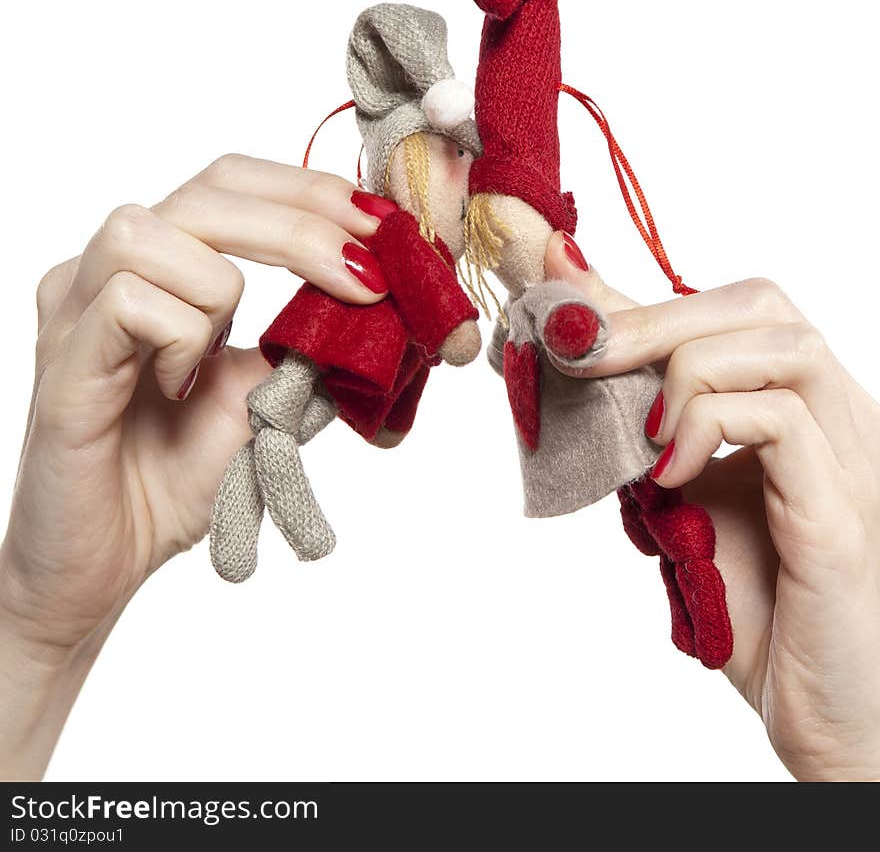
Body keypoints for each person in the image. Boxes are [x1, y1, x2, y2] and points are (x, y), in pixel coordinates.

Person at [1, 154, 878, 781]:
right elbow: (453, 323)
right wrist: (33, 632)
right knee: (277, 418)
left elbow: (467, 335)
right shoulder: (393, 243)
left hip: (360, 353)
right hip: (343, 343)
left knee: (284, 419)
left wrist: (856, 761)